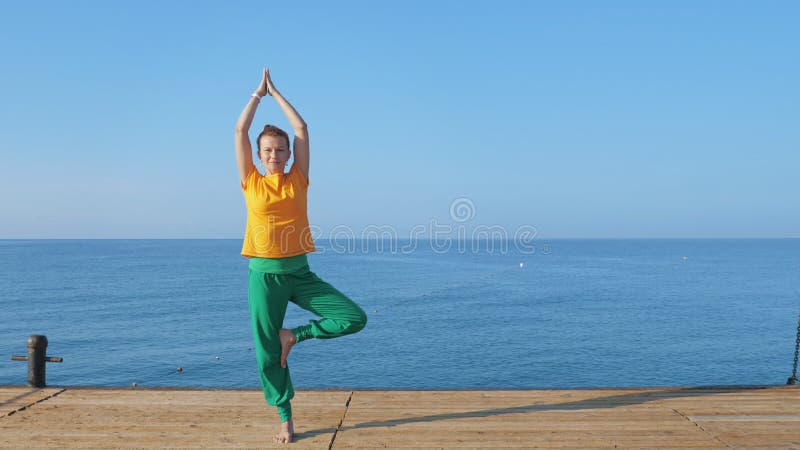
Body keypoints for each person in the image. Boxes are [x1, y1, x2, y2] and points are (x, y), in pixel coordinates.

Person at [235, 67, 368, 444]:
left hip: (301, 273)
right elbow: (239, 132)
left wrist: (275, 92)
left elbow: (303, 128)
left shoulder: (298, 178)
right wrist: (255, 96)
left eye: (280, 150)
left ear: (288, 154)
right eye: (268, 151)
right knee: (265, 354)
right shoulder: (251, 181)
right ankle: (285, 419)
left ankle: (294, 335)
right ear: (259, 156)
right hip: (264, 276)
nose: (274, 155)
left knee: (354, 318)